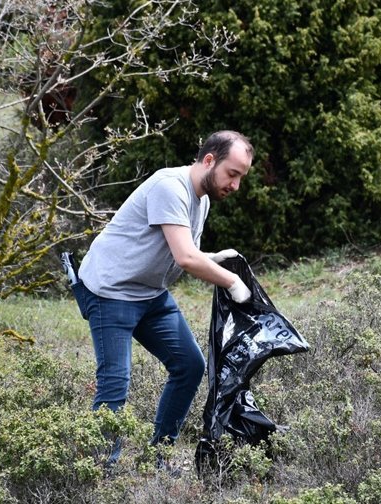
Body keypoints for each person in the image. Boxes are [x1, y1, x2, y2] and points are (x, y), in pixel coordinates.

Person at [68, 130, 255, 469]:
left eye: (241, 177)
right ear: (209, 160)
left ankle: (160, 456)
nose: (235, 185)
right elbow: (185, 258)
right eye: (233, 173)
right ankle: (99, 473)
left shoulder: (203, 199)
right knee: (115, 381)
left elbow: (183, 249)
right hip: (110, 292)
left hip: (150, 294)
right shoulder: (169, 187)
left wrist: (211, 257)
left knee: (189, 366)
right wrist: (231, 282)